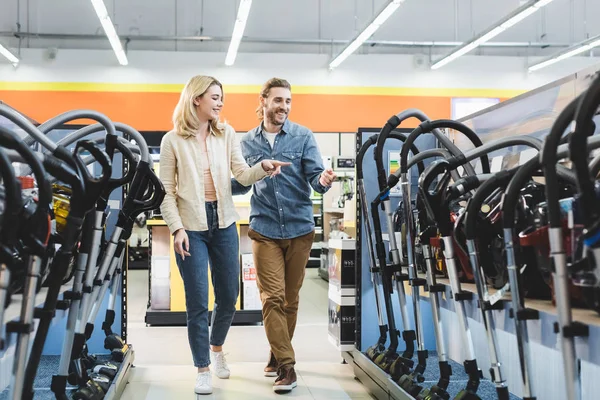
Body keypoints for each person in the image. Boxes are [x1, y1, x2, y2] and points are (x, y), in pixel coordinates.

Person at [158, 75, 290, 395]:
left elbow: (242, 174)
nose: (220, 103)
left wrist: (263, 167)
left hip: (225, 223)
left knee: (229, 297)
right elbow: (166, 191)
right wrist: (176, 228)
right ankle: (202, 367)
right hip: (191, 226)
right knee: (197, 302)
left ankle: (216, 348)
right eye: (215, 97)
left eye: (222, 98)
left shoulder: (226, 133)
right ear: (196, 99)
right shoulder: (172, 140)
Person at [238, 78, 336, 393]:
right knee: (272, 298)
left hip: (299, 228)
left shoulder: (303, 136)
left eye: (288, 101)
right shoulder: (247, 143)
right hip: (264, 228)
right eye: (278, 100)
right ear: (264, 101)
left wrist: (324, 179)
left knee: (290, 301)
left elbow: (315, 180)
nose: (284, 106)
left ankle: (276, 351)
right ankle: (287, 367)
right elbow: (240, 183)